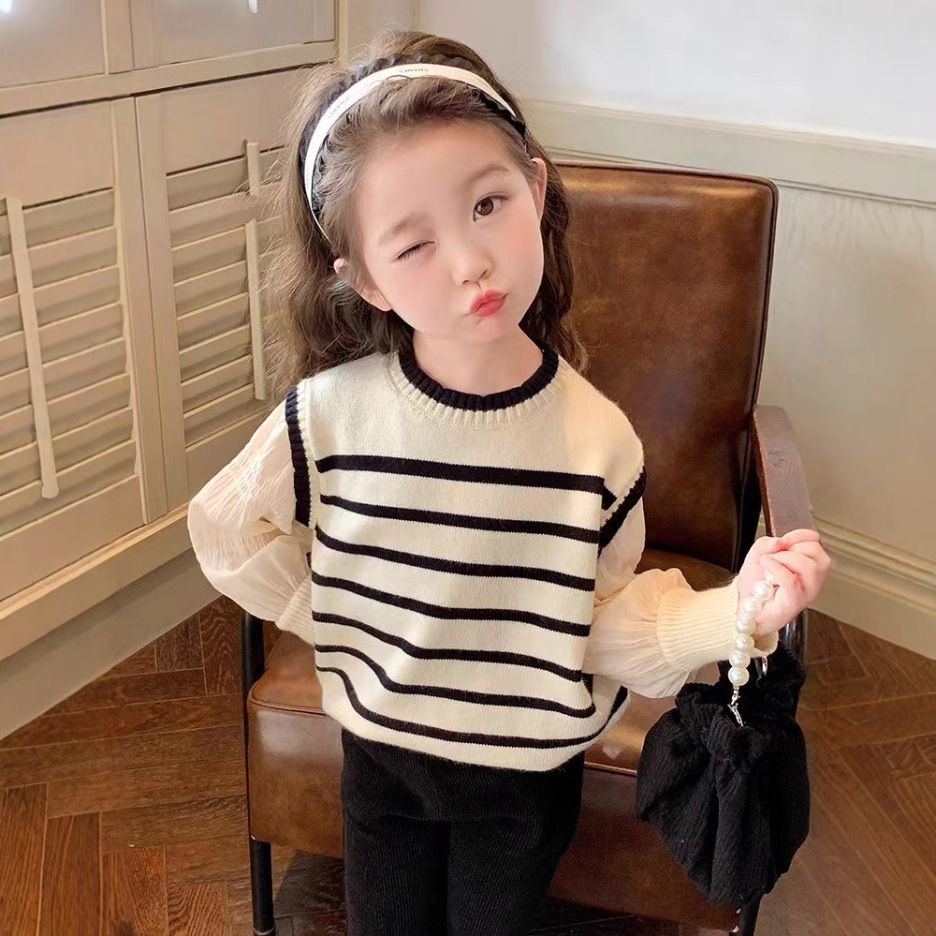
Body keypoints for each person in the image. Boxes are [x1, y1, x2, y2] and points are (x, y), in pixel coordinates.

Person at [187, 27, 831, 936]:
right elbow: (225, 529)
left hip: (525, 782)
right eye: (412, 246)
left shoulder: (597, 443)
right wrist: (334, 613)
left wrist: (735, 613)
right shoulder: (326, 416)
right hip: (380, 761)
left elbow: (599, 618)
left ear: (535, 186)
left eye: (487, 204)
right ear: (365, 280)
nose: (470, 263)